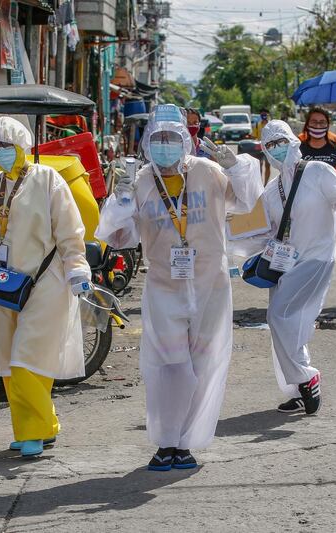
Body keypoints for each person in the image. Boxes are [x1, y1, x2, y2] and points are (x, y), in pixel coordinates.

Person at [95, 104, 262, 471]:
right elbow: (120, 237)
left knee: (202, 364)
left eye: (173, 138)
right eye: (159, 139)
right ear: (148, 142)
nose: (166, 145)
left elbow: (249, 199)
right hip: (163, 286)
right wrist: (121, 201)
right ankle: (166, 440)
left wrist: (238, 166)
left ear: (185, 140)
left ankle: (186, 444)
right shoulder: (140, 181)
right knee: (169, 366)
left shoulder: (209, 172)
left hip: (210, 285)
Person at [0, 117, 92, 458]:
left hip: (45, 282)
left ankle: (34, 431)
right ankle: (41, 425)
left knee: (29, 358)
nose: (0, 153)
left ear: (22, 146)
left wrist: (76, 266)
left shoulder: (47, 180)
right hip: (2, 284)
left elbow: (70, 230)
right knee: (11, 363)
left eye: (6, 146)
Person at [238, 120, 336, 414]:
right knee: (292, 324)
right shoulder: (272, 190)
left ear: (293, 141)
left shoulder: (317, 171)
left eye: (281, 141)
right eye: (270, 145)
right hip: (285, 264)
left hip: (317, 257)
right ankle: (298, 388)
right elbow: (264, 230)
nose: (277, 149)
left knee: (279, 316)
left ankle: (308, 376)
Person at [254, 109, 271, 183]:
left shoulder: (271, 125)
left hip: (269, 148)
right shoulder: (257, 125)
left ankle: (265, 184)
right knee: (259, 166)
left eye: (265, 114)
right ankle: (260, 183)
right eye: (262, 114)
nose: (264, 116)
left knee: (267, 166)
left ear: (268, 115)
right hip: (259, 148)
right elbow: (254, 136)